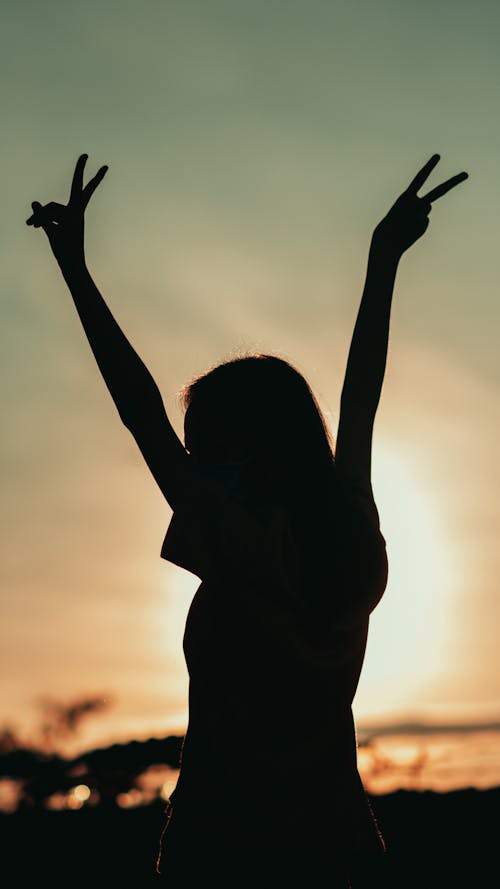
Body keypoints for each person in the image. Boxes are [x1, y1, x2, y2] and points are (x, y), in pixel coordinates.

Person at [27, 153, 468, 887]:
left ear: (259, 447)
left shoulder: (239, 539)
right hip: (339, 850)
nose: (195, 463)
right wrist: (382, 258)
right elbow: (359, 400)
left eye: (209, 448)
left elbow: (140, 415)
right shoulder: (348, 528)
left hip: (224, 847)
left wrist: (74, 269)